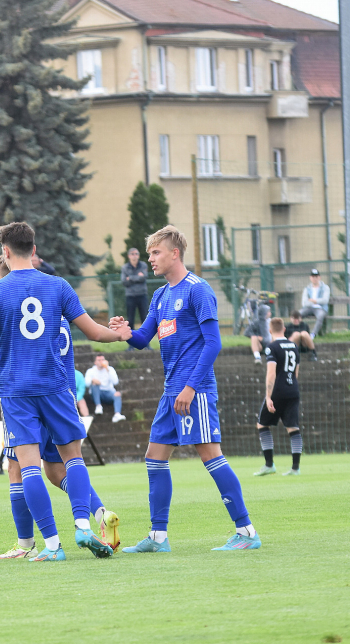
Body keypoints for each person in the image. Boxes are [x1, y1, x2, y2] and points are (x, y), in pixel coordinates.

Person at [0, 222, 128, 562]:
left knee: (29, 468)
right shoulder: (58, 286)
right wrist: (119, 334)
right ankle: (84, 524)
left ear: (5, 251)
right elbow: (93, 332)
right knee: (72, 459)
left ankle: (51, 546)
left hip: (17, 391)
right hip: (57, 387)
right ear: (34, 250)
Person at [111, 225, 260, 552]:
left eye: (155, 252)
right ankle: (158, 537)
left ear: (175, 253)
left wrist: (191, 387)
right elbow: (142, 339)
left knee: (210, 455)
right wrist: (125, 332)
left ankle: (247, 531)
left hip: (195, 391)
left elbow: (213, 343)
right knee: (154, 457)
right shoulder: (161, 295)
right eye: (149, 253)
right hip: (171, 393)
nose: (150, 258)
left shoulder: (198, 289)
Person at [254, 318, 302, 477]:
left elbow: (271, 373)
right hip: (293, 390)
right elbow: (296, 372)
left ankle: (269, 464)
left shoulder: (272, 347)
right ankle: (295, 468)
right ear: (284, 329)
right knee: (293, 427)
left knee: (262, 425)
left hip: (277, 392)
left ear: (270, 330)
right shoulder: (294, 346)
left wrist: (268, 396)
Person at [84, 355, 126, 423]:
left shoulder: (110, 369)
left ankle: (117, 414)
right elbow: (86, 384)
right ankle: (98, 406)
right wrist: (92, 380)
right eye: (99, 360)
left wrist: (107, 369)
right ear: (95, 362)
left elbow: (115, 382)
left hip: (108, 392)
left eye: (102, 360)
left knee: (117, 394)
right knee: (95, 384)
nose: (101, 362)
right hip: (96, 393)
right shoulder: (91, 371)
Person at [121, 247, 149, 345]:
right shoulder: (125, 267)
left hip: (142, 295)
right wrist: (138, 277)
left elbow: (144, 278)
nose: (134, 256)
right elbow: (124, 282)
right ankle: (131, 344)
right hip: (130, 296)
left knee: (145, 319)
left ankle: (146, 344)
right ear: (129, 256)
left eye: (136, 253)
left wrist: (131, 278)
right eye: (132, 254)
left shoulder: (143, 265)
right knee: (130, 320)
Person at [299, 268, 330, 339]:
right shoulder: (307, 288)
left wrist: (314, 300)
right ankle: (298, 332)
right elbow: (304, 302)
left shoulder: (325, 288)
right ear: (310, 278)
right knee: (298, 314)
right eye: (313, 277)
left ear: (319, 277)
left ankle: (313, 334)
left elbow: (325, 300)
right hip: (309, 307)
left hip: (321, 308)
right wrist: (311, 303)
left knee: (320, 316)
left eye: (316, 276)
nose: (314, 278)